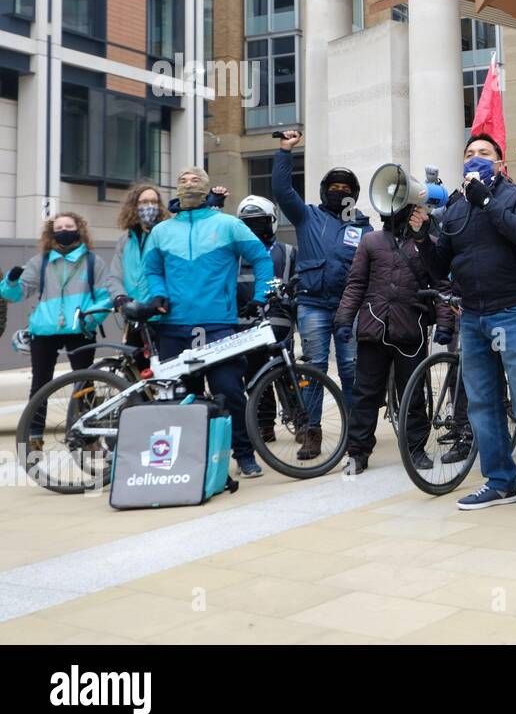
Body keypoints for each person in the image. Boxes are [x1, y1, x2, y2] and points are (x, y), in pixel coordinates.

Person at [427, 133, 516, 518]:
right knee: (482, 404)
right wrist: (422, 237)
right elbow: (440, 265)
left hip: (514, 312)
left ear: (500, 165)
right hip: (472, 317)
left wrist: (486, 203)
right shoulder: (455, 207)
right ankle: (499, 481)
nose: (474, 159)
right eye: (469, 154)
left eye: (483, 153)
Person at [142, 167, 274, 477]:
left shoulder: (228, 225)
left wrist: (260, 296)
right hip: (173, 326)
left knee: (228, 391)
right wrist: (159, 294)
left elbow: (262, 258)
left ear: (205, 189)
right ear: (176, 188)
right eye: (183, 179)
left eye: (194, 179)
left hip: (217, 324)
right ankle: (190, 461)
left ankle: (244, 455)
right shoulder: (161, 231)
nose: (188, 183)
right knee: (182, 399)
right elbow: (152, 270)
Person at [272, 130, 373, 457]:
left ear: (354, 195)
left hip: (348, 308)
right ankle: (311, 431)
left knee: (350, 368)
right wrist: (286, 152)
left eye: (346, 189)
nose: (339, 192)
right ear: (323, 191)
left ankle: (355, 433)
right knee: (314, 367)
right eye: (334, 187)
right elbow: (282, 190)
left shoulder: (363, 227)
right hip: (313, 305)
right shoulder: (307, 216)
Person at [334, 196, 439, 475]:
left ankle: (416, 449)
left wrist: (446, 323)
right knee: (365, 393)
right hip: (374, 328)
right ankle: (358, 452)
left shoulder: (426, 243)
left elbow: (441, 282)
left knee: (414, 393)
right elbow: (356, 283)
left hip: (410, 329)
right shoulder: (370, 241)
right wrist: (345, 319)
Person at [3, 212, 112, 448]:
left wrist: (89, 321)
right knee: (40, 383)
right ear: (51, 233)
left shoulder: (93, 262)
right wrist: (10, 282)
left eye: (69, 225)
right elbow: (14, 295)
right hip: (44, 331)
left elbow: (105, 297)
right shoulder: (39, 262)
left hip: (80, 328)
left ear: (79, 229)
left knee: (85, 380)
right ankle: (34, 435)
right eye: (58, 226)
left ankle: (90, 433)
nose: (63, 230)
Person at [234, 196, 297, 445]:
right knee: (255, 376)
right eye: (248, 224)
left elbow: (297, 284)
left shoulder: (289, 252)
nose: (254, 228)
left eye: (259, 222)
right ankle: (264, 425)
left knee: (286, 373)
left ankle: (300, 419)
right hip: (245, 325)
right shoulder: (235, 256)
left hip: (279, 321)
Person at [105, 182, 169, 364]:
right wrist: (119, 296)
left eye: (154, 202)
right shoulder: (125, 240)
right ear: (134, 206)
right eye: (144, 202)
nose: (150, 206)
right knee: (137, 372)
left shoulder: (165, 235)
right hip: (134, 315)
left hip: (160, 315)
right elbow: (114, 276)